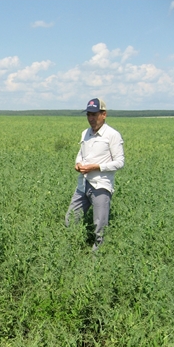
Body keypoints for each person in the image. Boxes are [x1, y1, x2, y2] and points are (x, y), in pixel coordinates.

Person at [65, 98, 124, 251]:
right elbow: (81, 154)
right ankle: (69, 250)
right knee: (70, 219)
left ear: (103, 114)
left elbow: (119, 162)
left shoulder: (112, 135)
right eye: (89, 115)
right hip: (83, 184)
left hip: (101, 186)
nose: (91, 118)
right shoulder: (85, 133)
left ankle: (96, 261)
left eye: (94, 115)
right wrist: (78, 164)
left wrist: (97, 167)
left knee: (100, 227)